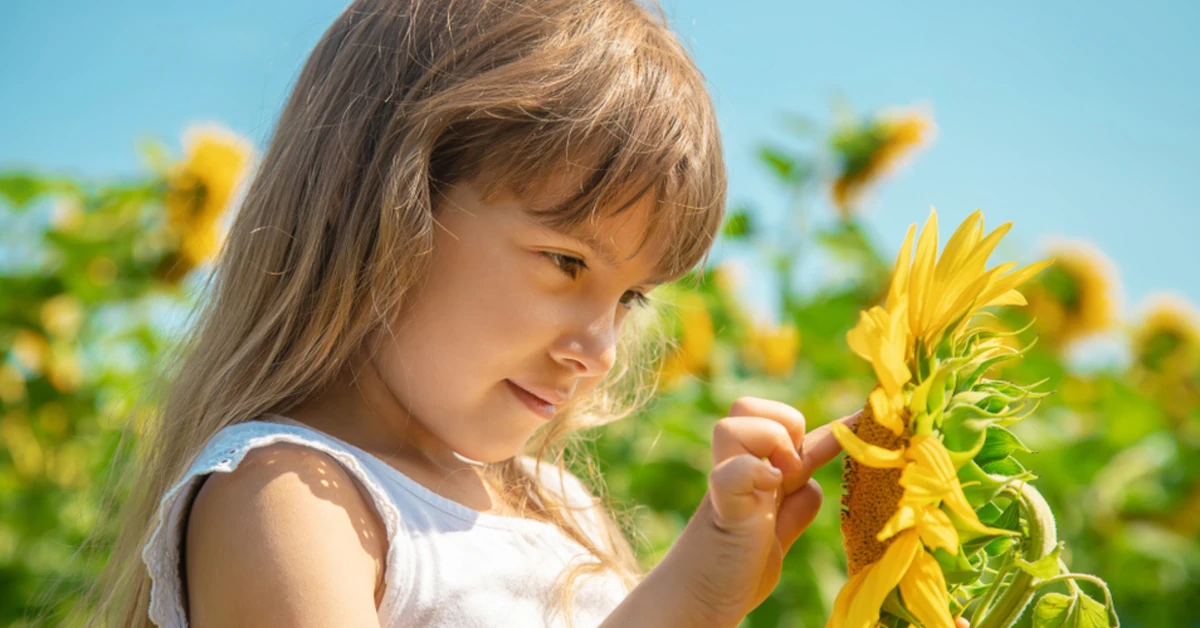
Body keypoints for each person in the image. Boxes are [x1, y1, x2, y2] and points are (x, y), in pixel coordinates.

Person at [80, 1, 969, 626]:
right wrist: (691, 602)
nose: (599, 349)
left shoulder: (557, 507)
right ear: (381, 202)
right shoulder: (290, 498)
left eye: (628, 297)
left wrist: (706, 590)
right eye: (566, 260)